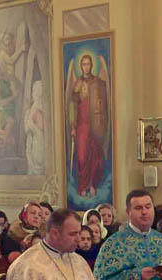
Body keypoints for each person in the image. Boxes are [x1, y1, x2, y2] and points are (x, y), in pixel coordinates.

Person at [66, 53, 109, 197]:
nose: (86, 67)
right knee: (82, 156)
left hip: (94, 125)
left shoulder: (97, 82)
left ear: (91, 65)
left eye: (88, 64)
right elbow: (72, 107)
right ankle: (82, 185)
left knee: (94, 155)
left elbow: (102, 104)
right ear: (81, 66)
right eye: (83, 64)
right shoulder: (77, 83)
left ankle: (91, 185)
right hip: (82, 125)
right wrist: (72, 126)